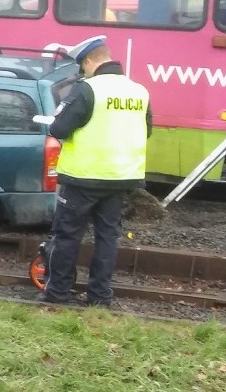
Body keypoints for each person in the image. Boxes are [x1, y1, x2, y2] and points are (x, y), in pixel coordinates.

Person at [40, 35, 152, 306]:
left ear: (90, 61)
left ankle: (58, 294)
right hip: (120, 178)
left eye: (82, 66)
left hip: (83, 176)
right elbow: (146, 130)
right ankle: (100, 297)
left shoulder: (87, 89)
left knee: (68, 236)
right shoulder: (139, 90)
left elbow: (58, 128)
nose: (82, 71)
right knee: (107, 238)